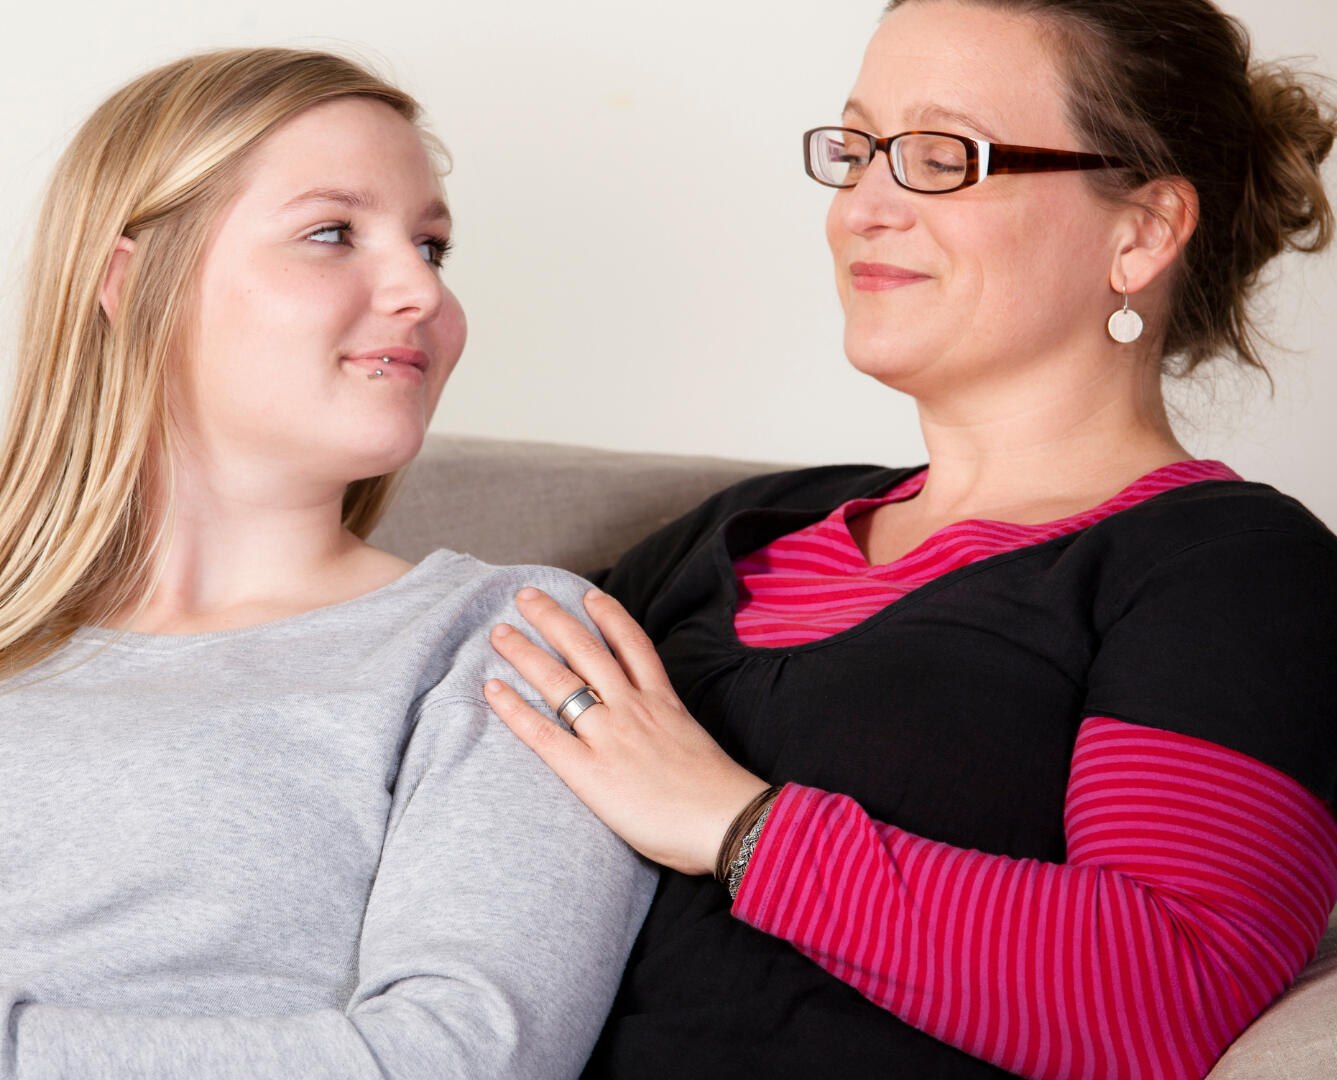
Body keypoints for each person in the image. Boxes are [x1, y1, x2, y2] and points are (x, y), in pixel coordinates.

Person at [482, 1, 1337, 1077]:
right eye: (855, 149)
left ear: (1141, 232)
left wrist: (732, 824)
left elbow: (1174, 990)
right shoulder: (748, 528)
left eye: (940, 156)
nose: (861, 208)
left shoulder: (1229, 569)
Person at [0, 47, 654, 1079]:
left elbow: (463, 1058)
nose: (418, 293)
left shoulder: (506, 642)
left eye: (432, 248)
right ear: (131, 286)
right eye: (330, 233)